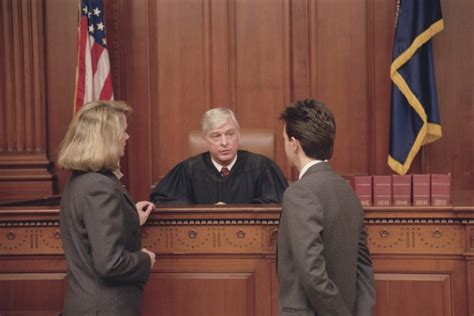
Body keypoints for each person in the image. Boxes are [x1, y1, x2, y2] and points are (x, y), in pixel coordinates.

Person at [278, 99, 375, 316]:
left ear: (294, 143)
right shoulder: (347, 190)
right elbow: (364, 269)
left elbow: (312, 273)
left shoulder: (299, 193)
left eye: (284, 139)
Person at [58, 100, 156, 315]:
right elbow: (111, 263)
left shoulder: (79, 181)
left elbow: (91, 231)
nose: (127, 137)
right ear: (106, 138)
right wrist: (146, 260)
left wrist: (130, 217)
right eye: (123, 131)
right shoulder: (100, 186)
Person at [150, 107, 288, 204]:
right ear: (204, 140)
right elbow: (162, 201)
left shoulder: (262, 167)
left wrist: (234, 213)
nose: (224, 142)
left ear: (239, 135)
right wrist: (206, 212)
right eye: (216, 136)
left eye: (230, 134)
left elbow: (277, 203)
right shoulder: (188, 170)